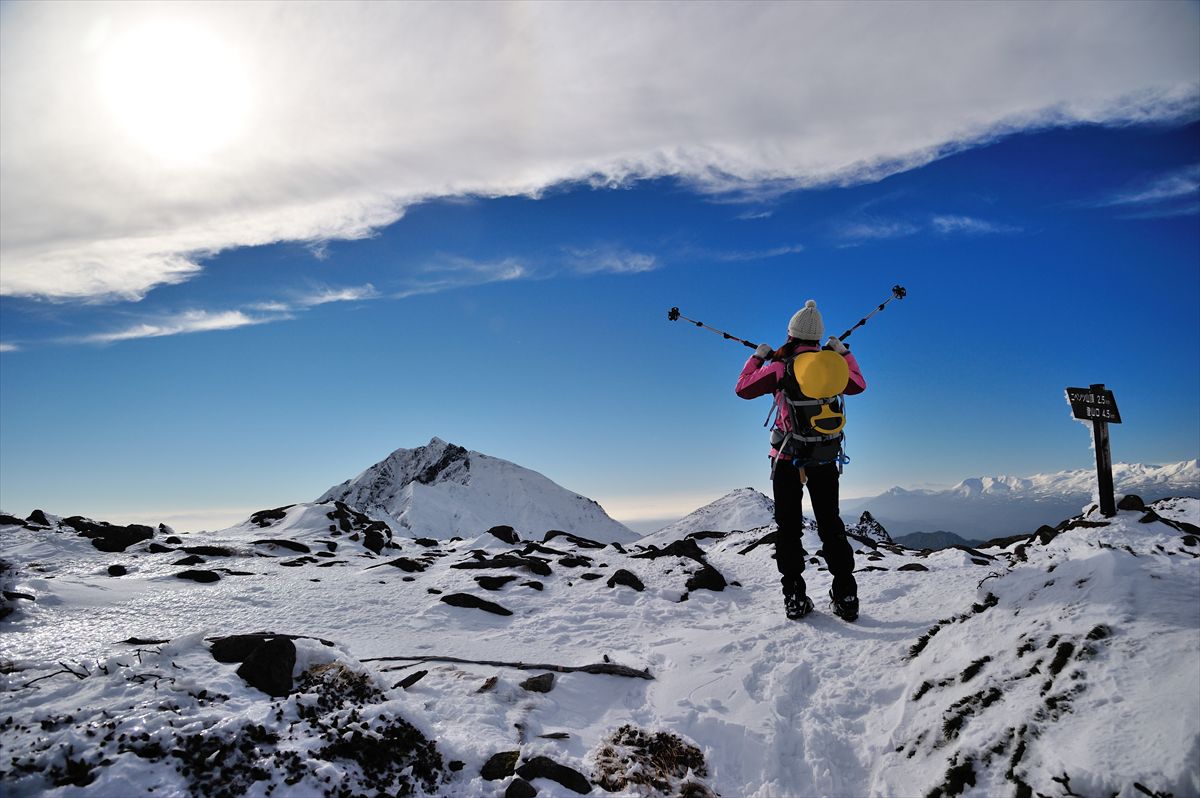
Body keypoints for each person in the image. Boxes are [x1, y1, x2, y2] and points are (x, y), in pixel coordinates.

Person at [735, 300, 866, 621]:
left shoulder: (780, 368)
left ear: (790, 335)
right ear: (819, 338)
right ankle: (846, 594)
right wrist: (844, 354)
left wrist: (757, 357)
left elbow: (743, 388)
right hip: (824, 455)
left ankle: (794, 596)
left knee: (789, 526)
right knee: (830, 523)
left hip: (786, 456)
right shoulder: (832, 365)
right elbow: (859, 385)